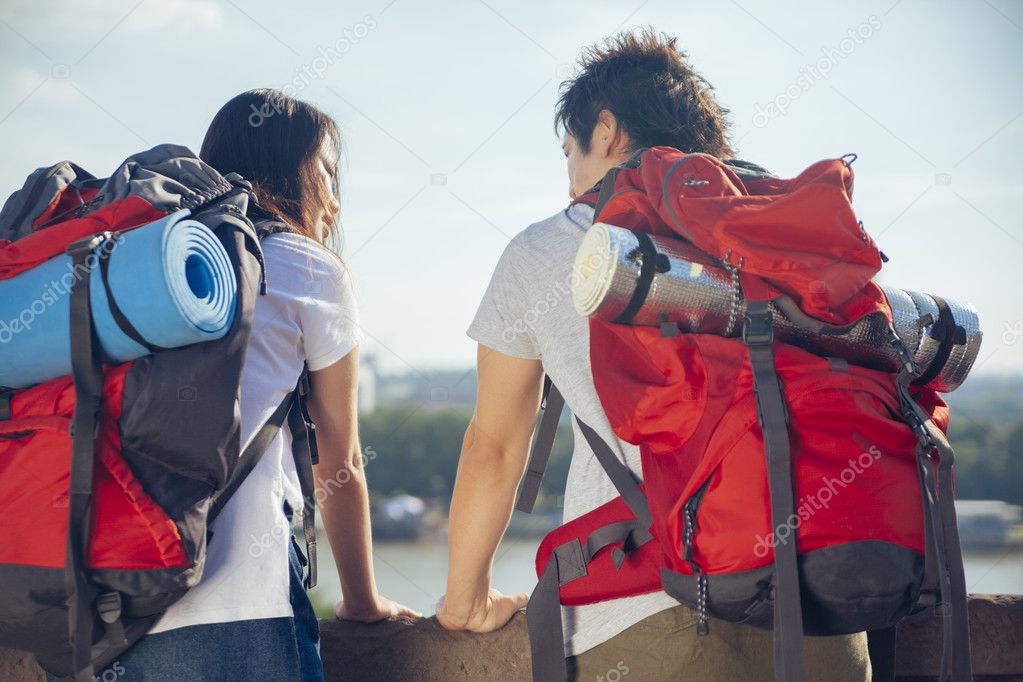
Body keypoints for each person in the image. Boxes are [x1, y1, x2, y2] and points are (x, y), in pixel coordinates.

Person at [437, 29, 871, 681]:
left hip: (651, 614)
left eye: (568, 151)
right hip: (826, 616)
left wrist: (463, 601)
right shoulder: (790, 242)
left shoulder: (553, 249)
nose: (568, 175)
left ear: (605, 132)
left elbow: (495, 448)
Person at [75, 89, 419, 682]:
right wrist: (361, 602)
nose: (335, 202)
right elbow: (341, 460)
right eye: (329, 174)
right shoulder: (305, 265)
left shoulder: (143, 264)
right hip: (238, 605)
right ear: (293, 172)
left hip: (97, 611)